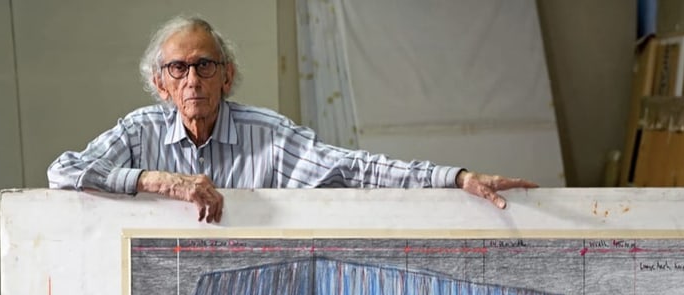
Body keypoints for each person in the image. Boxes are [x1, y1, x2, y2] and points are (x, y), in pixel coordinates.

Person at [48, 15, 537, 223]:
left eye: (205, 65)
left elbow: (354, 168)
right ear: (161, 84)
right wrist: (160, 181)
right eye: (178, 68)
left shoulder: (268, 137)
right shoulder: (140, 131)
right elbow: (62, 172)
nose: (192, 78)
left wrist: (456, 177)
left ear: (227, 76)